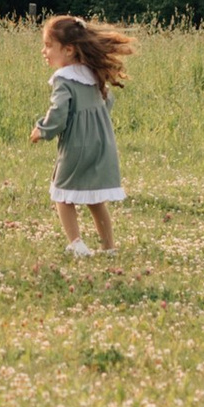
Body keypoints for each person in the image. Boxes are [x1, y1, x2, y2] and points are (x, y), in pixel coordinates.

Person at [33, 13, 130, 258]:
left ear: (68, 50)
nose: (44, 51)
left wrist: (42, 130)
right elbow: (108, 102)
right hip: (102, 144)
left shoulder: (63, 79)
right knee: (95, 198)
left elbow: (59, 112)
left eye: (48, 45)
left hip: (77, 145)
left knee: (62, 194)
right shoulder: (92, 74)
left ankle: (76, 244)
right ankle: (109, 247)